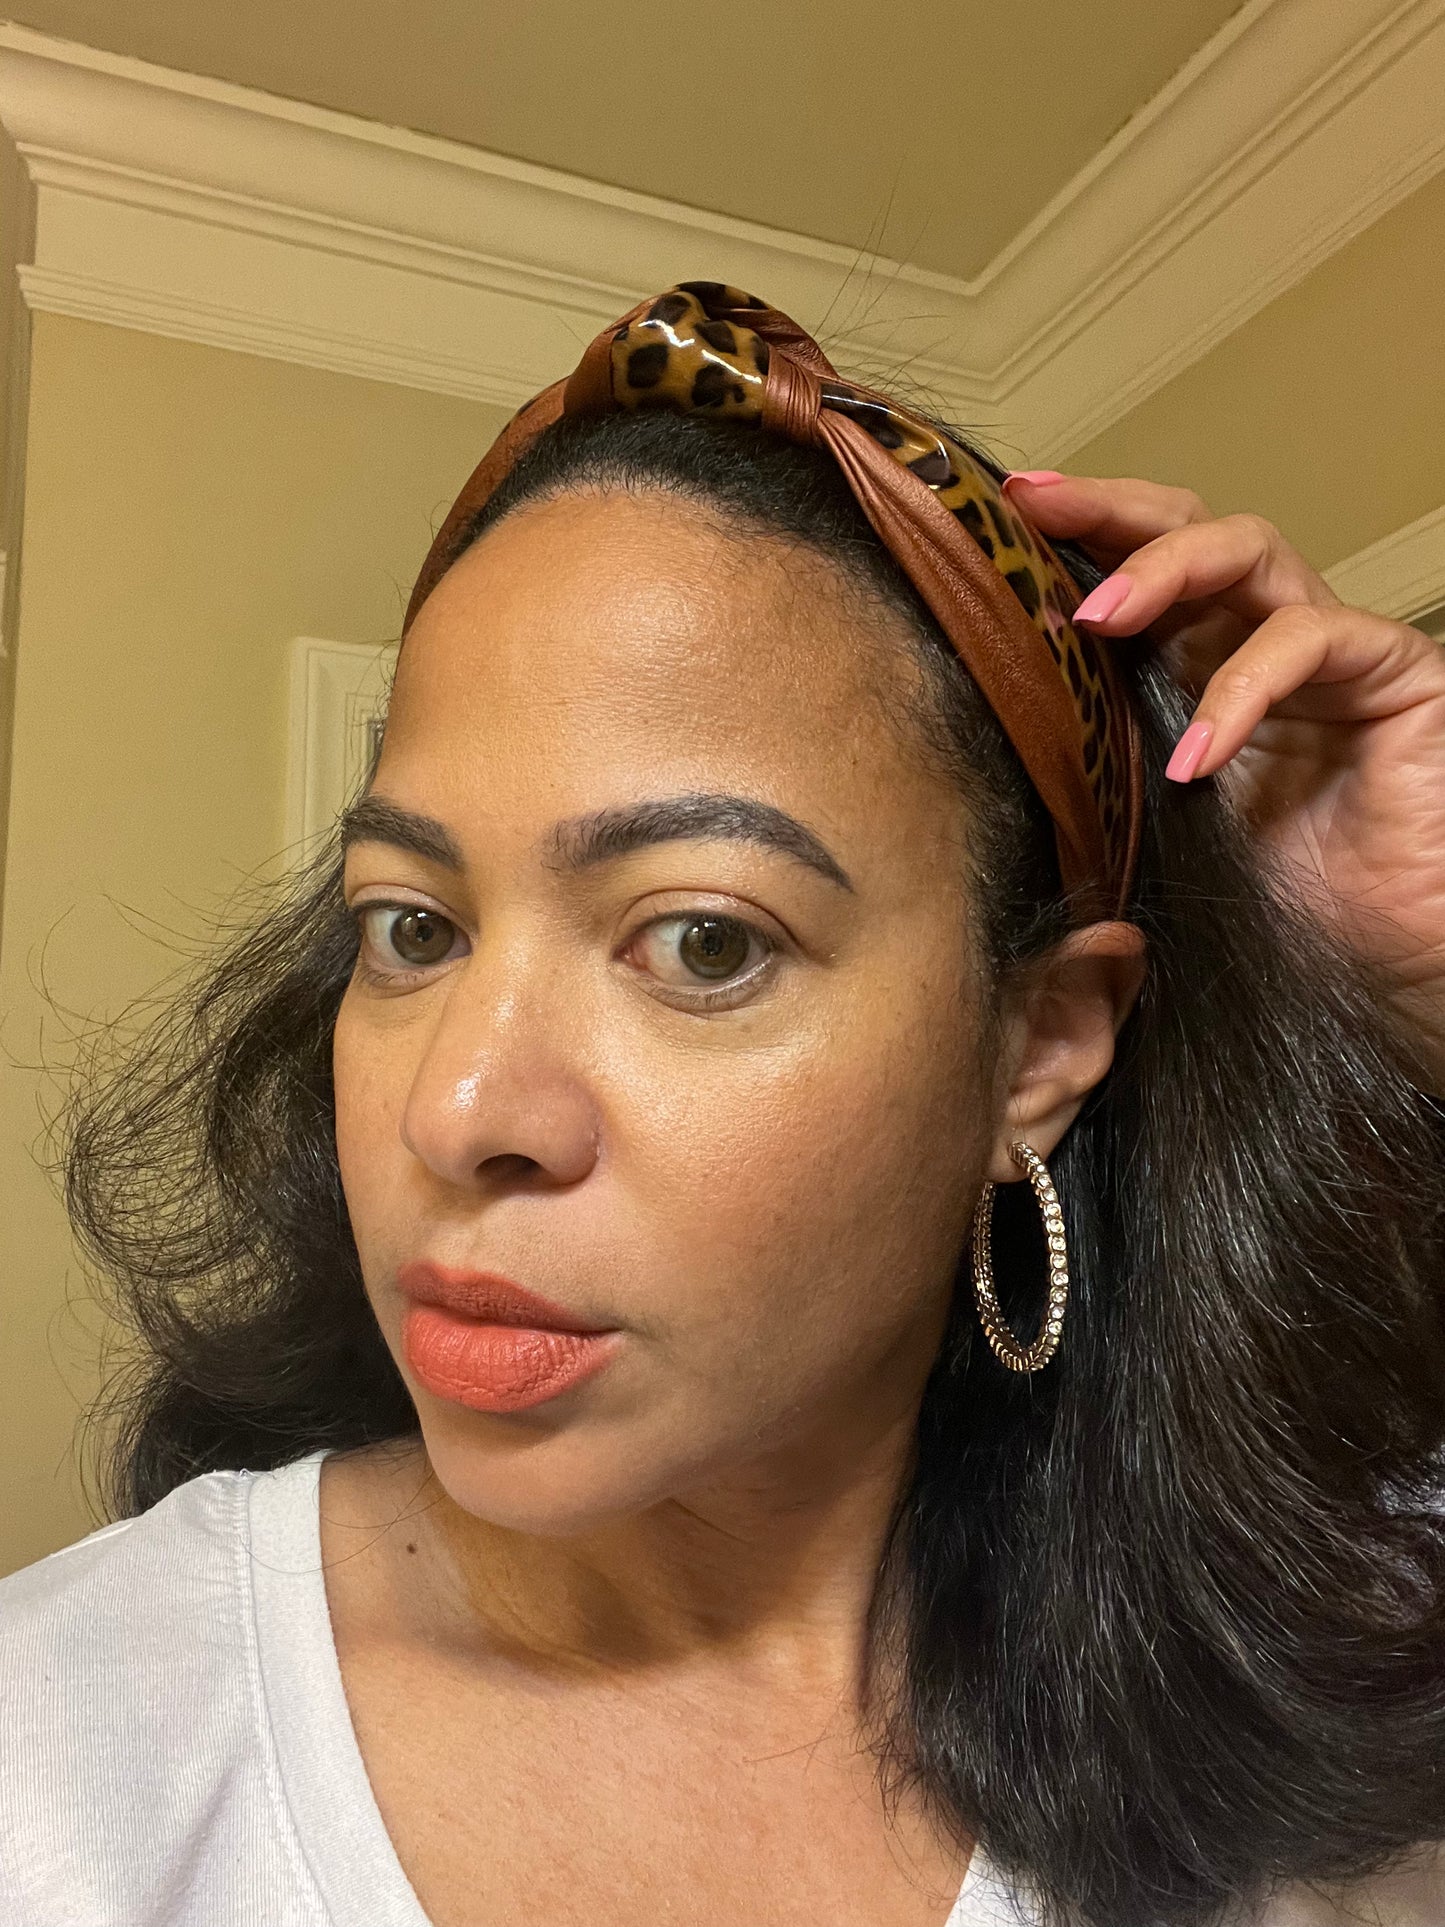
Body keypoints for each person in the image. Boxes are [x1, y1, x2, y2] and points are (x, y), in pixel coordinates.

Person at [2, 282, 1443, 1927]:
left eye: (701, 942)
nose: (456, 1113)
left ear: (1038, 1048)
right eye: (412, 928)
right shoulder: (54, 1775)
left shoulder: (1324, 1695)